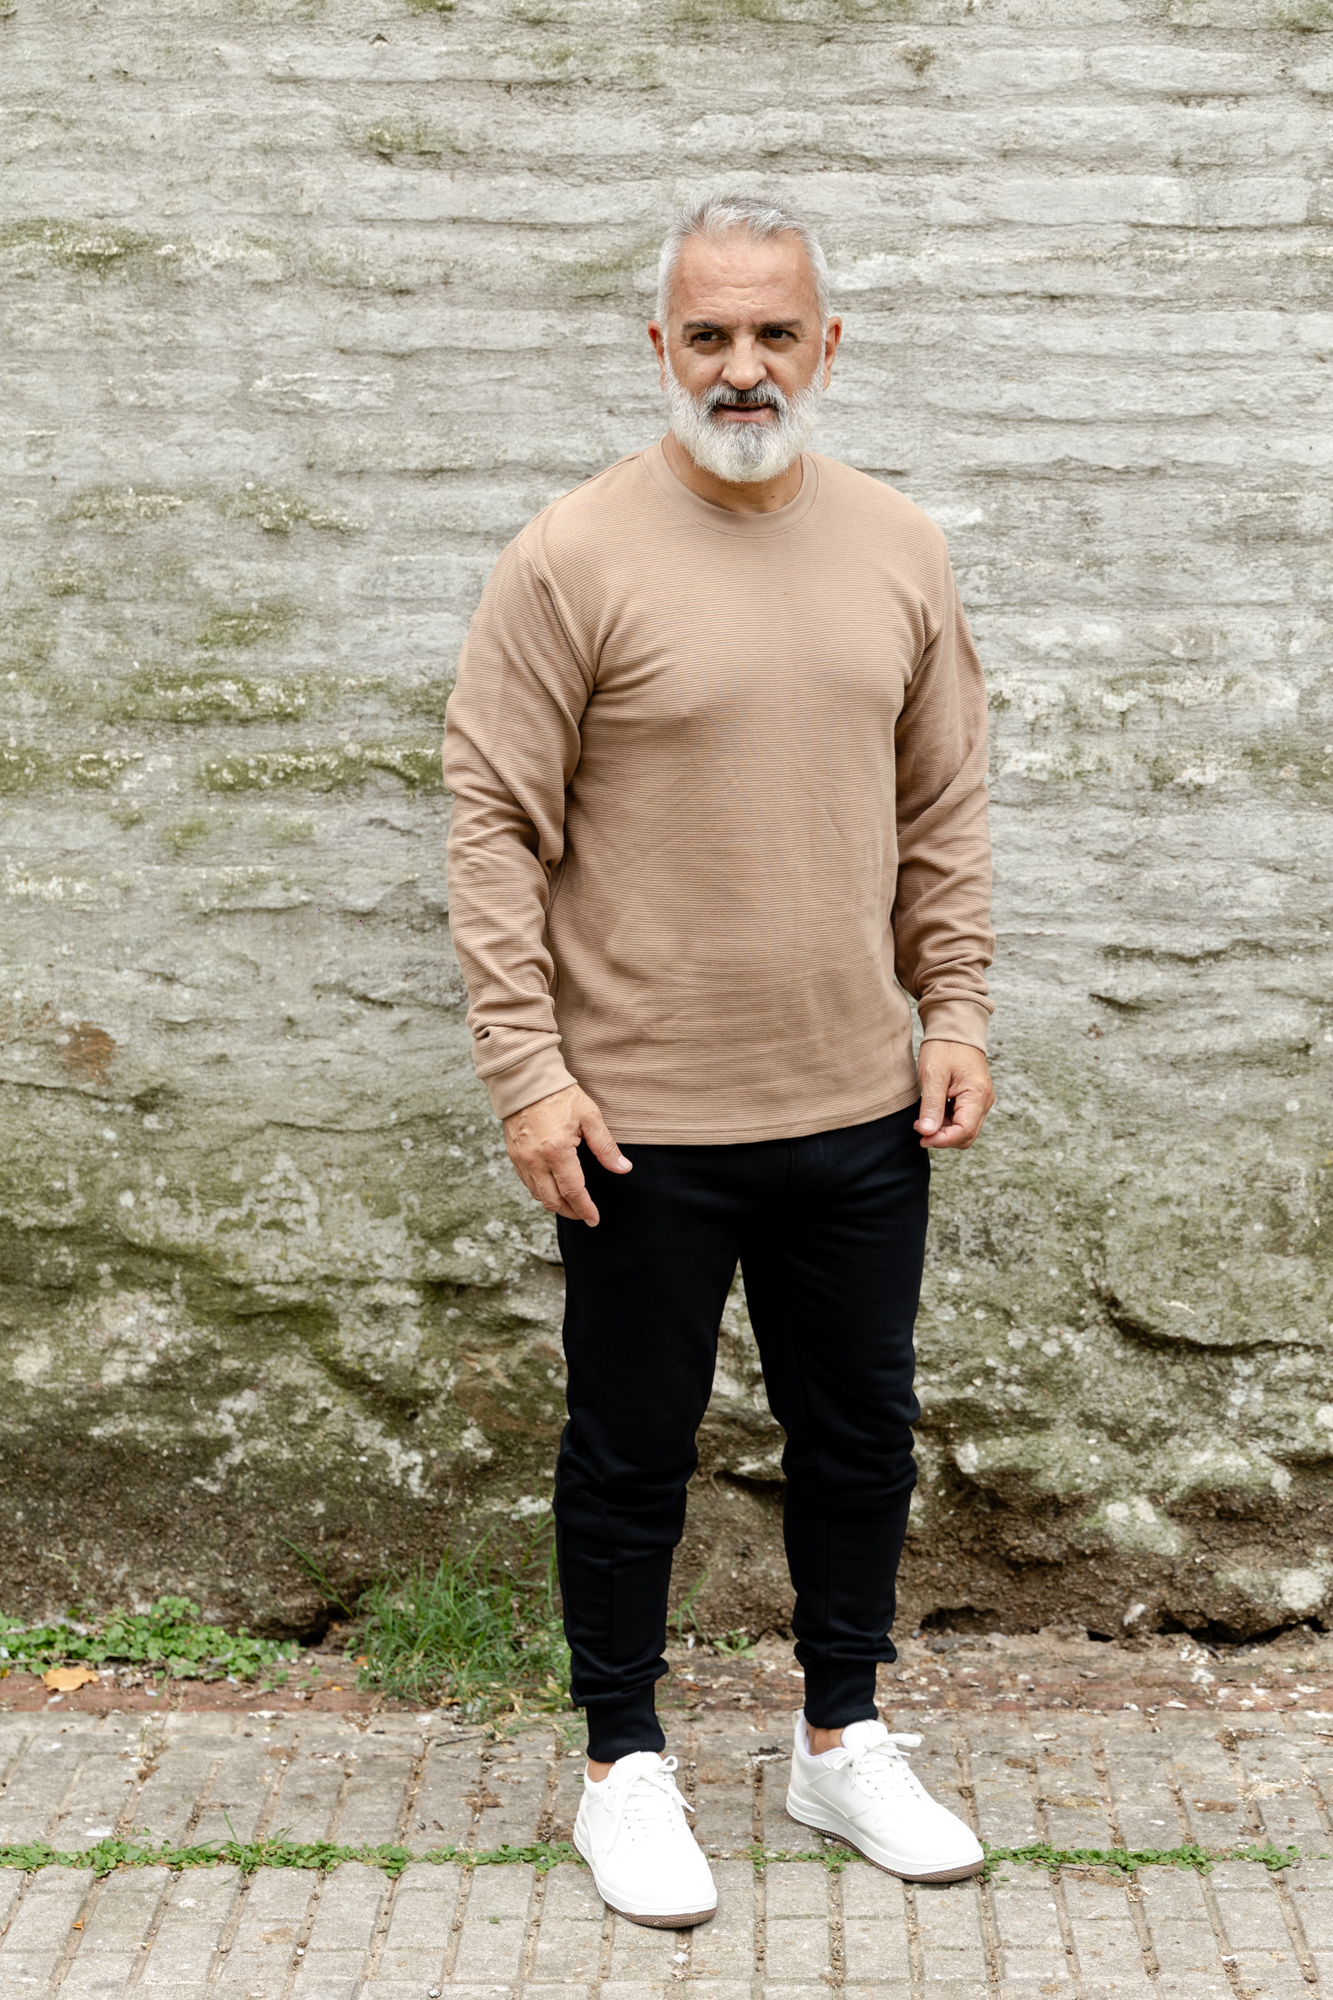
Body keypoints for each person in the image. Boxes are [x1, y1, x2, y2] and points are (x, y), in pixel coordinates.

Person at [443, 193, 995, 1926]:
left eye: (772, 332)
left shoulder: (899, 546)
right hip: (639, 1121)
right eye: (708, 334)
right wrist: (527, 1072)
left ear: (826, 343)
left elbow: (943, 804)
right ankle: (622, 1767)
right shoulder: (569, 557)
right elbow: (491, 822)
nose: (741, 366)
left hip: (859, 1104)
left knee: (861, 1440)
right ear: (660, 347)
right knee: (629, 1455)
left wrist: (955, 1009)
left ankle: (842, 1741)